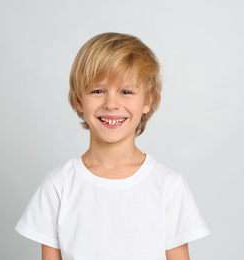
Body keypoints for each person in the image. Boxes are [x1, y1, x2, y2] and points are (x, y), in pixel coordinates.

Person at [15, 32, 210, 260]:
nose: (111, 104)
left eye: (126, 92)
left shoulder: (168, 185)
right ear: (79, 100)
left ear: (148, 100)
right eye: (98, 91)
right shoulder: (58, 186)